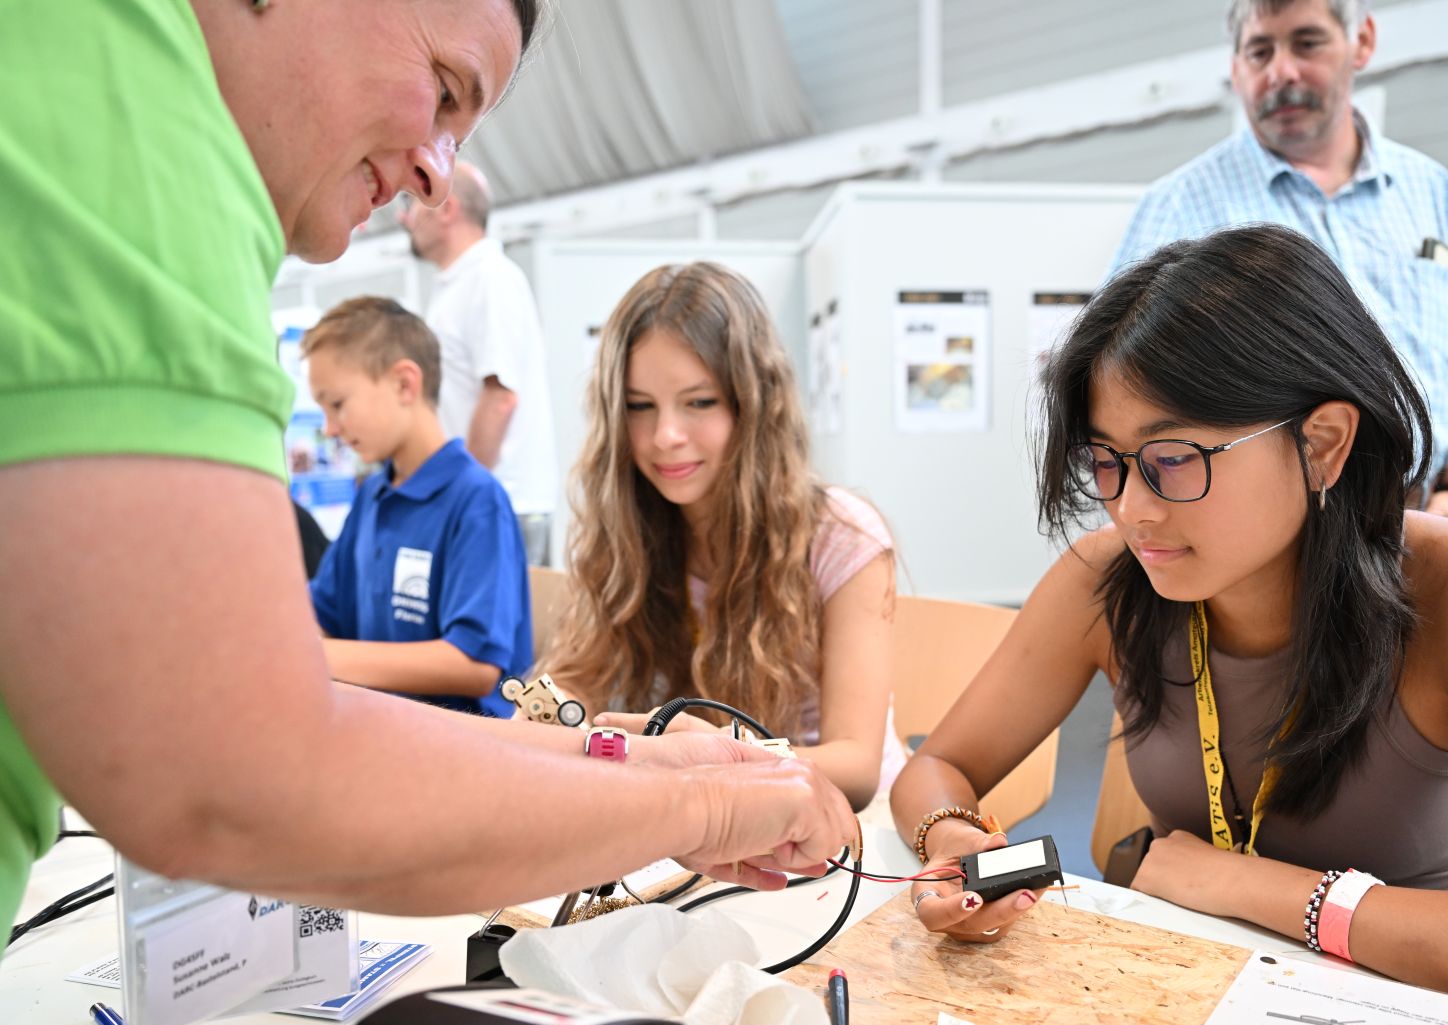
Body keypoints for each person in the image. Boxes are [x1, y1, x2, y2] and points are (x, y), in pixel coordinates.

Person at [0, 0, 856, 947]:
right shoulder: (141, 121)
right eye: (445, 91)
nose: (432, 172)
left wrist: (657, 770)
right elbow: (241, 770)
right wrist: (690, 803)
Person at [891, 224, 1448, 997]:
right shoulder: (1109, 579)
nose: (1131, 509)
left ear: (1323, 444)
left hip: (1408, 1022)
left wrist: (1248, 887)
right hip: (1182, 1003)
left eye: (1173, 460)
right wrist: (960, 847)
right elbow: (941, 765)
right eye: (1107, 462)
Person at [1107, 0, 1448, 523]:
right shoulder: (1178, 206)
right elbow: (1123, 381)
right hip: (1261, 532)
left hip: (1423, 519)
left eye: (1307, 42)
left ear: (1361, 41)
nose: (1281, 71)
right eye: (1259, 51)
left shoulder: (1431, 190)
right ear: (1235, 68)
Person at [544, 262, 903, 810]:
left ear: (754, 404)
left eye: (700, 402)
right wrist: (552, 710)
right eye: (640, 407)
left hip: (849, 824)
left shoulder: (841, 536)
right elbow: (575, 680)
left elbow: (855, 768)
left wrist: (711, 754)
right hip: (711, 808)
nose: (665, 436)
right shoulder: (631, 529)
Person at [304, 298, 532, 717]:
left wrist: (318, 656)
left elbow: (474, 664)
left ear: (405, 384)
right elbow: (320, 612)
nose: (329, 429)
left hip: (466, 750)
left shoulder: (475, 500)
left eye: (337, 404)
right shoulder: (373, 496)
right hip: (381, 732)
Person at [400, 162, 559, 565]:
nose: (405, 219)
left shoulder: (491, 280)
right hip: (483, 499)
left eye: (413, 205)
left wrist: (459, 490)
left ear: (447, 209)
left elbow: (499, 397)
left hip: (501, 502)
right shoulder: (457, 286)